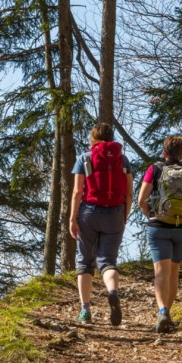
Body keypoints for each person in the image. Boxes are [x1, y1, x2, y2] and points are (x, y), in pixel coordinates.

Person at [137, 135, 182, 333]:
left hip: (158, 227)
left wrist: (152, 215)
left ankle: (162, 312)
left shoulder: (155, 169)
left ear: (163, 152)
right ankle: (168, 311)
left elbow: (142, 199)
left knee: (161, 271)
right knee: (174, 271)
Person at [70, 122, 133, 326]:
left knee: (85, 261)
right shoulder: (123, 159)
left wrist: (73, 218)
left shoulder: (84, 158)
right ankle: (113, 292)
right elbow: (130, 193)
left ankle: (85, 311)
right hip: (115, 212)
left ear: (93, 138)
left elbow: (77, 192)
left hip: (89, 211)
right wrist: (124, 215)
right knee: (108, 261)